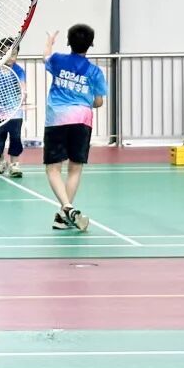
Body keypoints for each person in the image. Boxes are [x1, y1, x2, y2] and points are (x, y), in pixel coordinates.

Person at [43, 24, 108, 232]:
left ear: (68, 42)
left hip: (57, 118)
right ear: (91, 44)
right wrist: (85, 99)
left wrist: (50, 41)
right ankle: (63, 217)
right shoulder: (95, 71)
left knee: (53, 169)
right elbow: (98, 101)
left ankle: (67, 208)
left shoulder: (58, 60)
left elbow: (46, 57)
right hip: (82, 119)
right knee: (75, 168)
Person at [0, 37, 27, 178]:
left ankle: (14, 165)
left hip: (15, 113)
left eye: (14, 54)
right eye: (7, 53)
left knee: (15, 139)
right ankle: (1, 162)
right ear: (1, 53)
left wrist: (24, 94)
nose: (11, 57)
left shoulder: (19, 71)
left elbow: (23, 88)